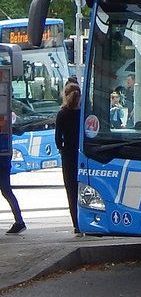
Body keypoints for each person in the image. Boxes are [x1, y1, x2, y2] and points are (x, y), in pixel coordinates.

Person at [55, 82, 82, 235]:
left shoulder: (62, 114)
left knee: (71, 191)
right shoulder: (83, 113)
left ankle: (76, 225)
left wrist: (61, 149)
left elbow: (58, 138)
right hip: (83, 154)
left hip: (68, 156)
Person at [0, 150, 26, 235]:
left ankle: (19, 222)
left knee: (6, 191)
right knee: (7, 191)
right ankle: (19, 221)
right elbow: (19, 135)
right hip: (5, 157)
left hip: (3, 158)